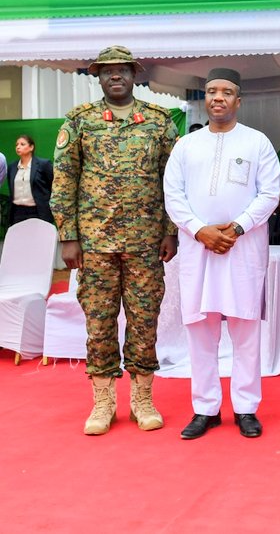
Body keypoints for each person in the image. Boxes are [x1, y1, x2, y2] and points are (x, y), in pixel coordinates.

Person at [51, 45, 179, 435]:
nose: (116, 76)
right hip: (94, 243)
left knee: (144, 321)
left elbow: (173, 182)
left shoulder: (159, 122)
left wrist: (171, 231)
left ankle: (142, 398)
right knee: (100, 321)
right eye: (107, 71)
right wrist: (67, 236)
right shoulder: (79, 121)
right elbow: (64, 179)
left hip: (144, 242)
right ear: (99, 78)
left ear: (134, 74)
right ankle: (103, 401)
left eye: (123, 70)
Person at [163, 68, 280, 439]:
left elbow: (269, 194)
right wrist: (200, 231)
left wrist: (237, 228)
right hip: (198, 250)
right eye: (211, 91)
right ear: (205, 98)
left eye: (226, 92)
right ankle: (205, 408)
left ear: (238, 100)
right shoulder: (186, 145)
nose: (217, 97)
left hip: (242, 249)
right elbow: (173, 195)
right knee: (201, 330)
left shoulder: (257, 142)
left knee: (246, 329)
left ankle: (246, 407)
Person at [7, 135, 55, 225]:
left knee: (38, 237)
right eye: (16, 145)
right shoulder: (12, 167)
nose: (18, 147)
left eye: (22, 144)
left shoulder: (43, 164)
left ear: (31, 147)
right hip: (17, 212)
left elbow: (52, 186)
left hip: (37, 211)